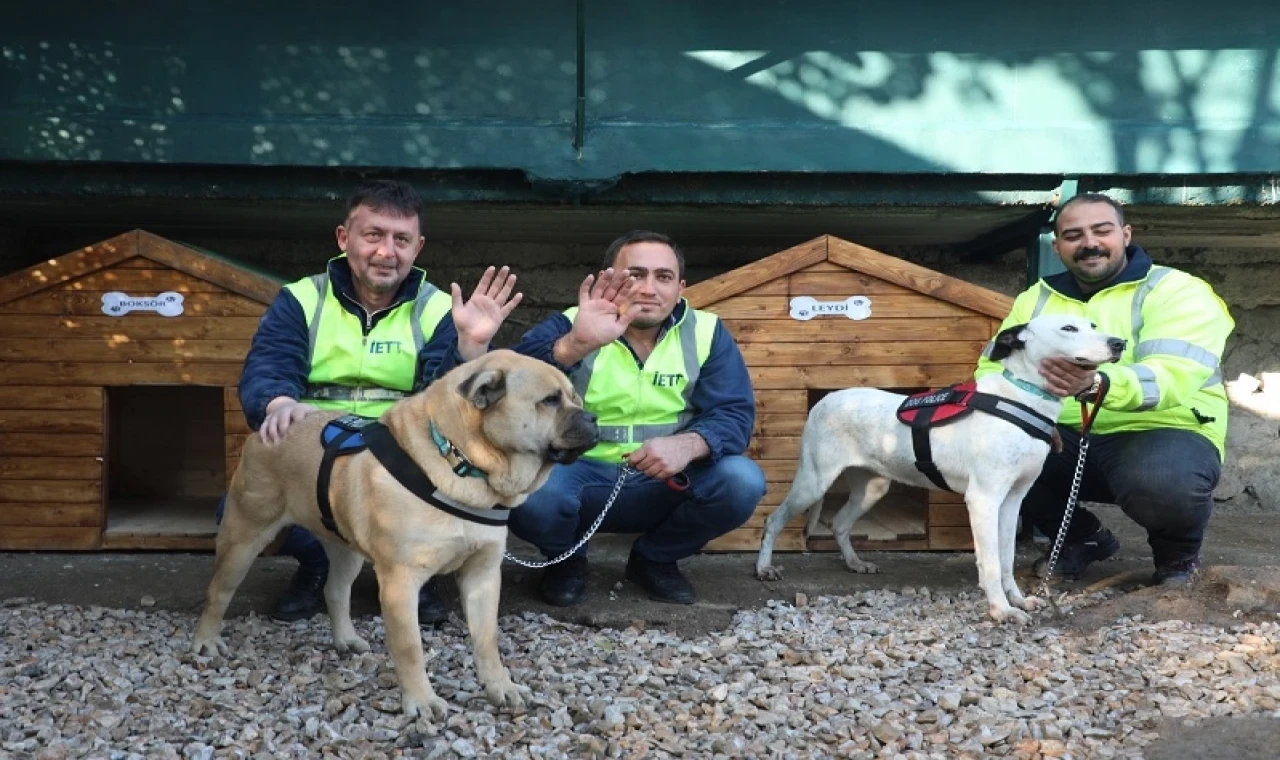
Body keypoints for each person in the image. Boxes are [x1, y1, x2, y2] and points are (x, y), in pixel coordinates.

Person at [228, 179, 522, 623]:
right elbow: (269, 364)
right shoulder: (302, 298)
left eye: (401, 240)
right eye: (374, 235)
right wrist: (276, 403)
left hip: (402, 449)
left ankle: (417, 575)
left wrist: (469, 349)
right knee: (254, 499)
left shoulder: (442, 309)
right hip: (319, 441)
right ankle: (318, 566)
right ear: (345, 239)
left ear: (417, 247)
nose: (387, 251)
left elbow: (444, 403)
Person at [975, 193, 1234, 586]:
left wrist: (1097, 384)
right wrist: (1023, 419)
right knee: (987, 445)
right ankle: (1083, 538)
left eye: (1102, 231)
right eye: (1073, 235)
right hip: (1065, 433)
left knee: (1161, 479)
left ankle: (1177, 560)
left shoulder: (1177, 290)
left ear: (1125, 234)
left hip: (1161, 429)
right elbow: (994, 366)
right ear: (1058, 246)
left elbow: (1174, 373)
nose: (1089, 243)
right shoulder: (1038, 298)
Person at [509, 230, 766, 606]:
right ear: (608, 279)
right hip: (578, 478)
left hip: (666, 481)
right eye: (635, 275)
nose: (648, 289)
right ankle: (565, 559)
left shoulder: (707, 331)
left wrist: (689, 444)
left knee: (742, 482)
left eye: (663, 277)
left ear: (680, 287)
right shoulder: (571, 323)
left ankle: (654, 560)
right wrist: (575, 344)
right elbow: (513, 390)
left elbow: (735, 413)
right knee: (529, 491)